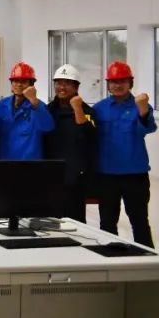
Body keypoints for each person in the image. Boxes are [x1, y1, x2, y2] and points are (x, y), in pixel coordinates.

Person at [92, 60, 157, 248]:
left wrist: (143, 111)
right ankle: (110, 258)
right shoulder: (99, 108)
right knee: (107, 222)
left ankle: (147, 259)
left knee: (139, 221)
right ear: (108, 84)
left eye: (122, 81)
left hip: (135, 175)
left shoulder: (141, 105)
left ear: (130, 83)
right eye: (113, 81)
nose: (118, 85)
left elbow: (148, 129)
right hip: (107, 175)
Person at [44, 64, 97, 222]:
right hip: (52, 176)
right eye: (58, 83)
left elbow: (91, 137)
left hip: (76, 178)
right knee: (51, 222)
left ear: (76, 87)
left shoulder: (87, 111)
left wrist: (78, 109)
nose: (62, 87)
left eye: (67, 83)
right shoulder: (48, 110)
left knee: (76, 222)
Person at [0, 61, 54, 160]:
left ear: (31, 85)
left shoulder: (39, 106)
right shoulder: (1, 105)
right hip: (5, 162)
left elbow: (48, 127)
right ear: (11, 83)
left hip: (29, 164)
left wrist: (34, 102)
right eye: (16, 81)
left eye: (23, 82)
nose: (19, 85)